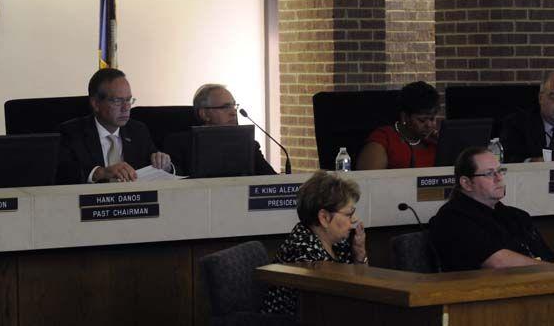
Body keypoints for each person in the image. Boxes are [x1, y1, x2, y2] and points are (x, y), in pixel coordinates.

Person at [429, 146, 553, 271]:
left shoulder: (517, 216)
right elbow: (498, 262)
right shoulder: (452, 218)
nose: (499, 178)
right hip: (483, 288)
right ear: (466, 183)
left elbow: (546, 256)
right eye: (489, 173)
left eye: (500, 171)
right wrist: (549, 270)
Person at [261, 170, 367, 317]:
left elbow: (361, 288)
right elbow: (328, 308)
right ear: (324, 217)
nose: (354, 219)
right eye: (349, 214)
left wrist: (359, 253)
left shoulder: (337, 242)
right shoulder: (304, 252)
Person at [55, 68, 171, 184]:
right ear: (95, 104)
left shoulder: (138, 131)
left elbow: (160, 168)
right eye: (117, 101)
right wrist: (100, 173)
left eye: (128, 100)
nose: (126, 108)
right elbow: (62, 174)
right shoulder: (71, 133)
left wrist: (165, 165)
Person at [163, 84, 276, 176]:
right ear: (204, 114)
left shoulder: (248, 145)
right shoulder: (178, 144)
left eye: (233, 106)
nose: (233, 112)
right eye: (226, 107)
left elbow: (272, 181)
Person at [357, 81, 439, 170]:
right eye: (422, 120)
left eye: (432, 119)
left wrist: (443, 144)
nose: (429, 125)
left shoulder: (434, 142)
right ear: (404, 117)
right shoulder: (384, 139)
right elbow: (368, 180)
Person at [501, 72, 554, 163]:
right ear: (541, 98)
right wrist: (530, 162)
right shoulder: (517, 123)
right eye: (553, 96)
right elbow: (507, 157)